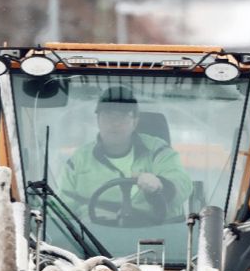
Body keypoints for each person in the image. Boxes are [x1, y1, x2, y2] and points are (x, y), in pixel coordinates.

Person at [56, 86, 192, 223]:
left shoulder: (158, 151)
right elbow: (62, 210)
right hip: (93, 237)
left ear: (135, 121)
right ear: (98, 120)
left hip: (154, 235)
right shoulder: (79, 160)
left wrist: (160, 185)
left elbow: (182, 183)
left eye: (122, 116)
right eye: (108, 116)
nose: (114, 123)